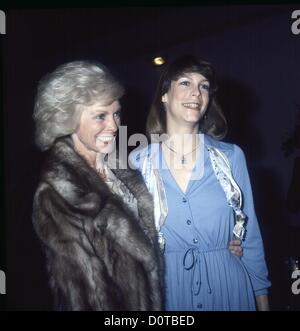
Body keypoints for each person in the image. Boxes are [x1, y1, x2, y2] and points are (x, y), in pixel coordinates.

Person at [130, 55, 271, 311]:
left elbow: (250, 235)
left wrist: (262, 301)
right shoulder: (137, 162)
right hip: (168, 292)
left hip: (229, 287)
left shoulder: (230, 157)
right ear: (164, 95)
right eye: (185, 83)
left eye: (203, 86)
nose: (196, 92)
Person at [32, 61, 163, 311]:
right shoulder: (58, 193)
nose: (114, 125)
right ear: (68, 120)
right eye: (100, 116)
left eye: (116, 113)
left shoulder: (122, 169)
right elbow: (84, 297)